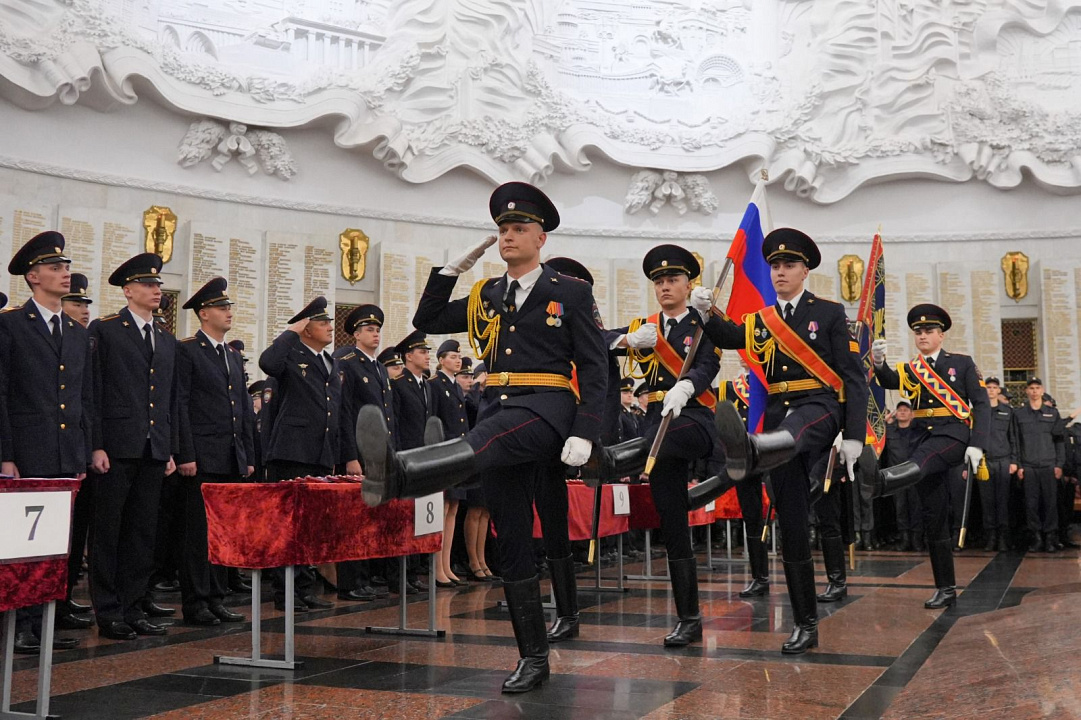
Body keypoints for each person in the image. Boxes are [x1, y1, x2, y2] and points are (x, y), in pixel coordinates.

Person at [356, 181, 608, 693]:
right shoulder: (487, 293)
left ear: (540, 238)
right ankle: (533, 657)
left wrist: (586, 430)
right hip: (500, 407)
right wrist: (451, 271)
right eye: (502, 229)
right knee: (511, 537)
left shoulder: (570, 292)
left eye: (518, 228)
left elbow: (594, 366)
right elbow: (426, 319)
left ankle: (403, 472)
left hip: (546, 409)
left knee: (490, 438)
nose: (508, 236)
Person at [691, 228, 869, 654]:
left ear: (805, 271)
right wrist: (704, 311)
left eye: (789, 265)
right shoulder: (763, 320)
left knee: (794, 430)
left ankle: (750, 454)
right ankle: (805, 624)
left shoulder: (829, 313)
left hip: (820, 409)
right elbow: (729, 337)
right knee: (791, 526)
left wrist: (855, 436)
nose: (780, 272)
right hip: (779, 420)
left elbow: (853, 377)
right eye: (775, 266)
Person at [594, 245, 722, 648]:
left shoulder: (703, 322)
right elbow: (595, 339)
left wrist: (687, 386)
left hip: (694, 418)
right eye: (659, 281)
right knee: (673, 520)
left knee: (662, 445)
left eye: (673, 280)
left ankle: (612, 461)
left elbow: (710, 365)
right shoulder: (645, 326)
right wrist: (626, 339)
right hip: (656, 426)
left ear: (688, 285)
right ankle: (689, 618)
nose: (665, 286)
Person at [866, 304, 990, 609]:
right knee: (934, 517)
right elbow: (890, 380)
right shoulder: (912, 368)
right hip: (922, 437)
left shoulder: (961, 363)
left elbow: (981, 403)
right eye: (918, 331)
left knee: (921, 460)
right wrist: (878, 362)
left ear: (941, 335)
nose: (923, 335)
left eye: (929, 331)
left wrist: (978, 444)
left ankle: (881, 483)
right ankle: (945, 588)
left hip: (952, 435)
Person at [0, 231, 89, 652]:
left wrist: (82, 452)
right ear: (33, 277)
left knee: (54, 543)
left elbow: (83, 398)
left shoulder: (75, 331)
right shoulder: (11, 325)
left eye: (66, 267)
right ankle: (17, 624)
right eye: (55, 268)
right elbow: (2, 393)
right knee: (21, 543)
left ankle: (42, 623)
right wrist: (5, 455)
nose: (64, 274)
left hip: (64, 452)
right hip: (26, 450)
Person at [88, 253, 180, 640]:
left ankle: (133, 606)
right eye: (147, 284)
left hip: (153, 447)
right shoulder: (107, 329)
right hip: (116, 446)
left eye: (158, 284)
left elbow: (169, 398)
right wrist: (96, 445)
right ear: (128, 291)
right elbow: (94, 391)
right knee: (108, 532)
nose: (156, 290)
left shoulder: (165, 337)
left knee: (143, 532)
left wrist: (170, 448)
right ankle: (109, 611)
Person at [175, 277, 254, 626]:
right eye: (222, 308)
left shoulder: (232, 355)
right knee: (197, 533)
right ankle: (196, 602)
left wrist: (248, 456)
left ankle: (217, 597)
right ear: (204, 313)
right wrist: (186, 453)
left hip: (231, 455)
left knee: (224, 531)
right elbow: (181, 404)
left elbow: (243, 408)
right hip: (203, 455)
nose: (228, 312)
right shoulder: (189, 350)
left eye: (228, 307)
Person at [257, 296, 341, 612]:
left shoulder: (328, 361)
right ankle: (285, 592)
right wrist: (291, 332)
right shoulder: (290, 356)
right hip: (291, 451)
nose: (330, 327)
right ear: (307, 328)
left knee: (309, 526)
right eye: (322, 322)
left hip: (319, 452)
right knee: (287, 525)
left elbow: (336, 410)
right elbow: (268, 362)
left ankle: (304, 588)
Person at [335, 304, 394, 601]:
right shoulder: (347, 363)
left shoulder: (379, 368)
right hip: (359, 453)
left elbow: (387, 415)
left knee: (371, 519)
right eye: (369, 330)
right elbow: (345, 412)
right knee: (354, 520)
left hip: (379, 454)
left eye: (377, 330)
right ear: (356, 334)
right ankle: (350, 581)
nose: (375, 334)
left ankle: (366, 577)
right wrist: (350, 456)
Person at [719, 364, 770, 597]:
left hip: (772, 452)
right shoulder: (730, 388)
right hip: (745, 459)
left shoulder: (772, 381)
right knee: (752, 518)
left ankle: (797, 575)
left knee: (790, 516)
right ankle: (760, 577)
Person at [429, 339, 469, 588]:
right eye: (452, 357)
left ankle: (446, 564)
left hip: (457, 454)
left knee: (453, 508)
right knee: (442, 510)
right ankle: (437, 568)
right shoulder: (436, 384)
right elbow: (434, 420)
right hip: (444, 454)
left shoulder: (454, 385)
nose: (457, 360)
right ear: (441, 359)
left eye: (458, 357)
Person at [1013, 378, 1065, 552]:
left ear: (1042, 390)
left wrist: (1059, 464)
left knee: (1050, 503)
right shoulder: (1019, 414)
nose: (1034, 391)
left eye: (1037, 388)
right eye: (1031, 388)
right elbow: (1016, 441)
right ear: (1026, 391)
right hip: (1029, 466)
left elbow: (1059, 441)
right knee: (1031, 504)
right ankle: (1036, 538)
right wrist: (1019, 465)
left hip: (1049, 465)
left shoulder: (1052, 413)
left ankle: (1050, 537)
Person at [980, 378, 1016, 552]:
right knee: (987, 501)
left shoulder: (1007, 411)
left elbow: (1013, 437)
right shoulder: (979, 411)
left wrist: (1014, 461)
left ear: (999, 391)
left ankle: (1003, 537)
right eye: (988, 387)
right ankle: (991, 537)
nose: (991, 390)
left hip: (1003, 460)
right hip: (984, 462)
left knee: (1003, 501)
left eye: (994, 387)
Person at [884, 401, 924, 552]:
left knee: (916, 507)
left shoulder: (918, 431)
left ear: (912, 414)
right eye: (899, 410)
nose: (902, 412)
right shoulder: (890, 430)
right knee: (900, 508)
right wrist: (886, 420)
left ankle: (916, 539)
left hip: (914, 474)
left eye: (906, 410)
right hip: (896, 476)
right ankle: (904, 539)